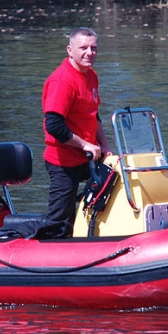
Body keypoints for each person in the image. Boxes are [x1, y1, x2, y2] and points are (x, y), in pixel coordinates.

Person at [42, 27, 111, 234]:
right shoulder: (63, 80)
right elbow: (53, 125)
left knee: (112, 185)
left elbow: (93, 115)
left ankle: (91, 231)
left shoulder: (91, 75)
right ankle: (53, 246)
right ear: (70, 50)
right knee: (60, 221)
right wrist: (84, 144)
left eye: (93, 48)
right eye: (83, 48)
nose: (89, 53)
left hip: (89, 155)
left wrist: (105, 146)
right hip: (63, 160)